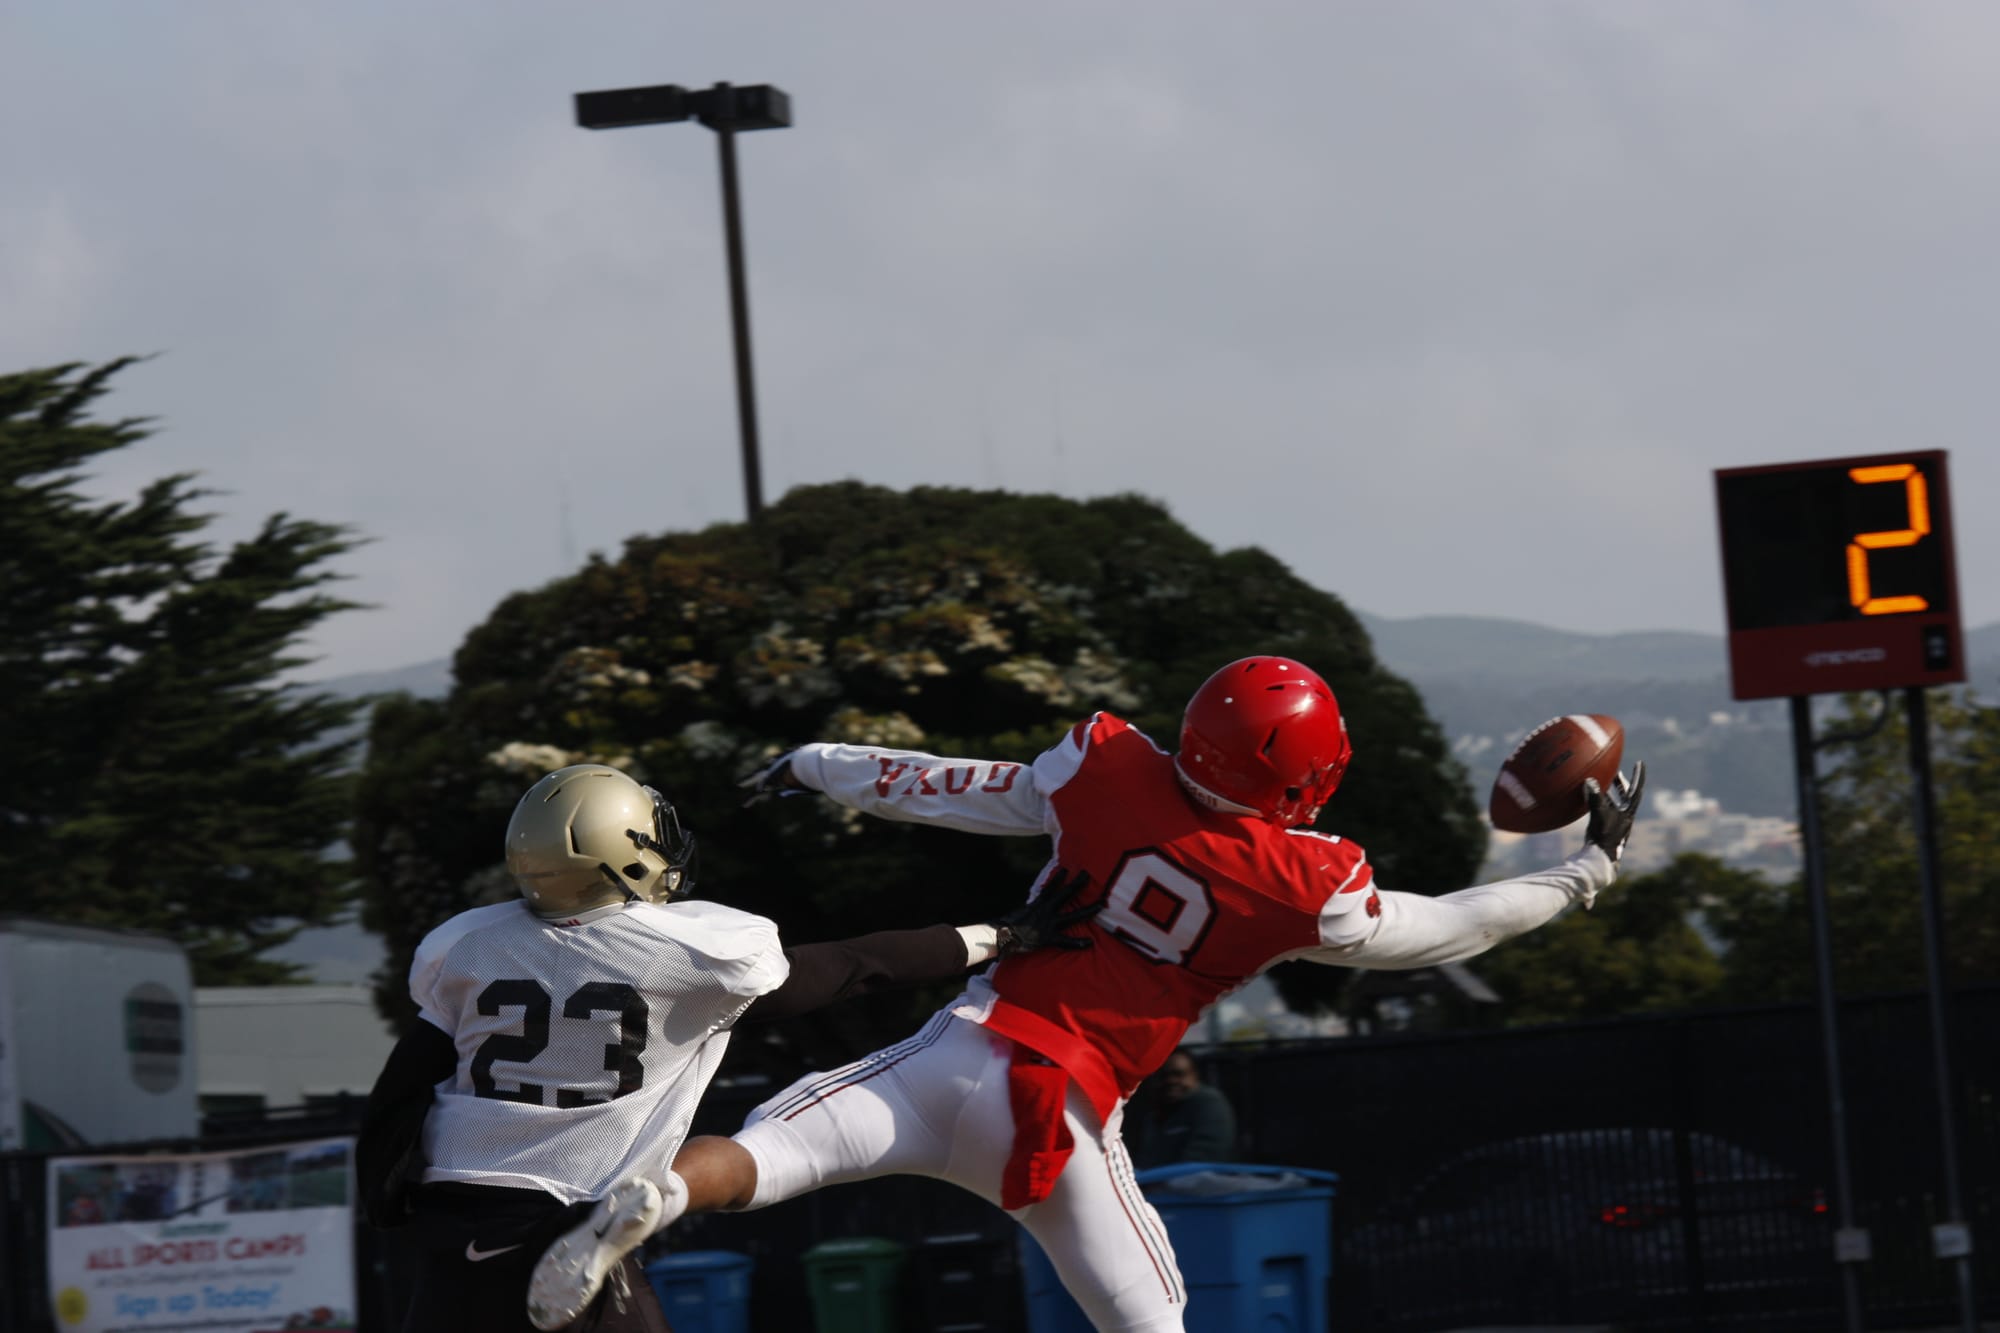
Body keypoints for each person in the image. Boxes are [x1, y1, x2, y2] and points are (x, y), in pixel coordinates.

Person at [529, 656, 1646, 1332]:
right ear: (1297, 777)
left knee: (774, 1150)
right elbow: (1447, 926)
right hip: (1061, 1111)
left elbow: (954, 790)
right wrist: (1580, 874)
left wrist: (818, 760)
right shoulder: (1301, 880)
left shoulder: (1103, 768)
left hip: (957, 1049)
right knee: (1147, 1315)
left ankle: (655, 1202)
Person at [356, 762, 1101, 1333]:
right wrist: (998, 936)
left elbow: (406, 1077)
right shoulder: (684, 952)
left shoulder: (468, 943)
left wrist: (382, 1194)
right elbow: (846, 966)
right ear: (626, 855)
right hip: (563, 1210)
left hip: (448, 1212)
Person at [1128, 1048, 1237, 1170]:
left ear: (1195, 1075)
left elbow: (1205, 1158)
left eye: (1179, 1074)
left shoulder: (1209, 1103)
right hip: (1158, 1181)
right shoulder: (1155, 1111)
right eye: (1163, 1075)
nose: (1171, 1081)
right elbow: (1145, 1158)